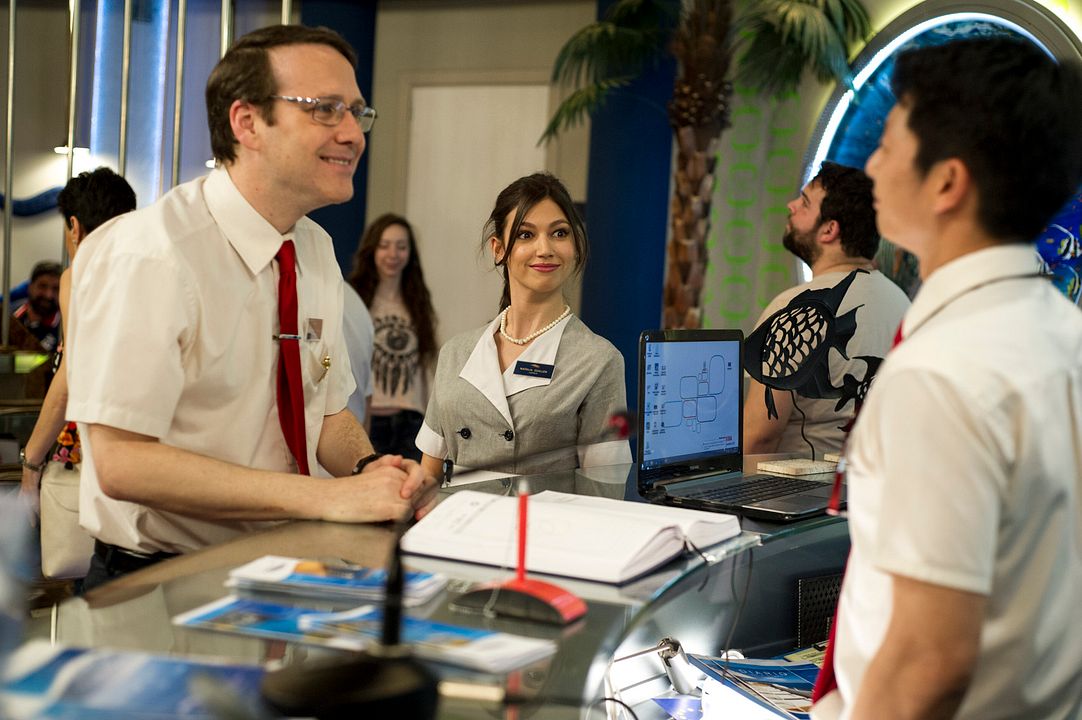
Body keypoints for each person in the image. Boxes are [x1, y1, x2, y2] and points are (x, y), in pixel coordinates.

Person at [65, 25, 438, 591]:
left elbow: (326, 412)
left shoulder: (313, 250)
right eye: (325, 109)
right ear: (247, 123)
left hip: (279, 569)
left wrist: (368, 468)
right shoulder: (152, 253)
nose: (352, 135)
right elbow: (121, 463)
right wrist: (326, 497)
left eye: (357, 113)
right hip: (156, 582)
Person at [811, 38, 1082, 719]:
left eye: (890, 142)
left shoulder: (942, 374)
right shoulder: (1062, 333)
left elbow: (930, 663)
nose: (870, 162)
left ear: (947, 182)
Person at [417, 172, 632, 476]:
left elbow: (606, 485)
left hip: (541, 521)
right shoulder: (455, 352)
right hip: (456, 518)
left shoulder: (599, 361)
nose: (545, 249)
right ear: (498, 249)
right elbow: (428, 474)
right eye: (526, 235)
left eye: (559, 233)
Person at [743, 162, 909, 458]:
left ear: (830, 229)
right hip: (869, 493)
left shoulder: (791, 306)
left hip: (799, 495)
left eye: (805, 202)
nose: (791, 205)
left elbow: (760, 438)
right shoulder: (903, 304)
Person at [19, 167, 136, 523]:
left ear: (74, 225)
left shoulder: (82, 273)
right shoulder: (153, 269)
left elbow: (72, 375)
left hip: (93, 449)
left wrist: (31, 461)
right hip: (147, 449)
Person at [346, 214, 437, 460]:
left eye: (401, 246)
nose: (393, 254)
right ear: (372, 250)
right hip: (369, 421)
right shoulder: (354, 299)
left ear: (410, 253)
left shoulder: (417, 300)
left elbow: (425, 366)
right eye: (384, 246)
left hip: (411, 421)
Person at [341, 283, 375, 428]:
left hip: (344, 428)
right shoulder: (355, 300)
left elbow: (366, 394)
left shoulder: (352, 301)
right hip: (354, 427)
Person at [11, 261, 62, 354]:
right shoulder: (8, 318)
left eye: (56, 288)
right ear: (30, 287)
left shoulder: (67, 327)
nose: (48, 295)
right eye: (42, 286)